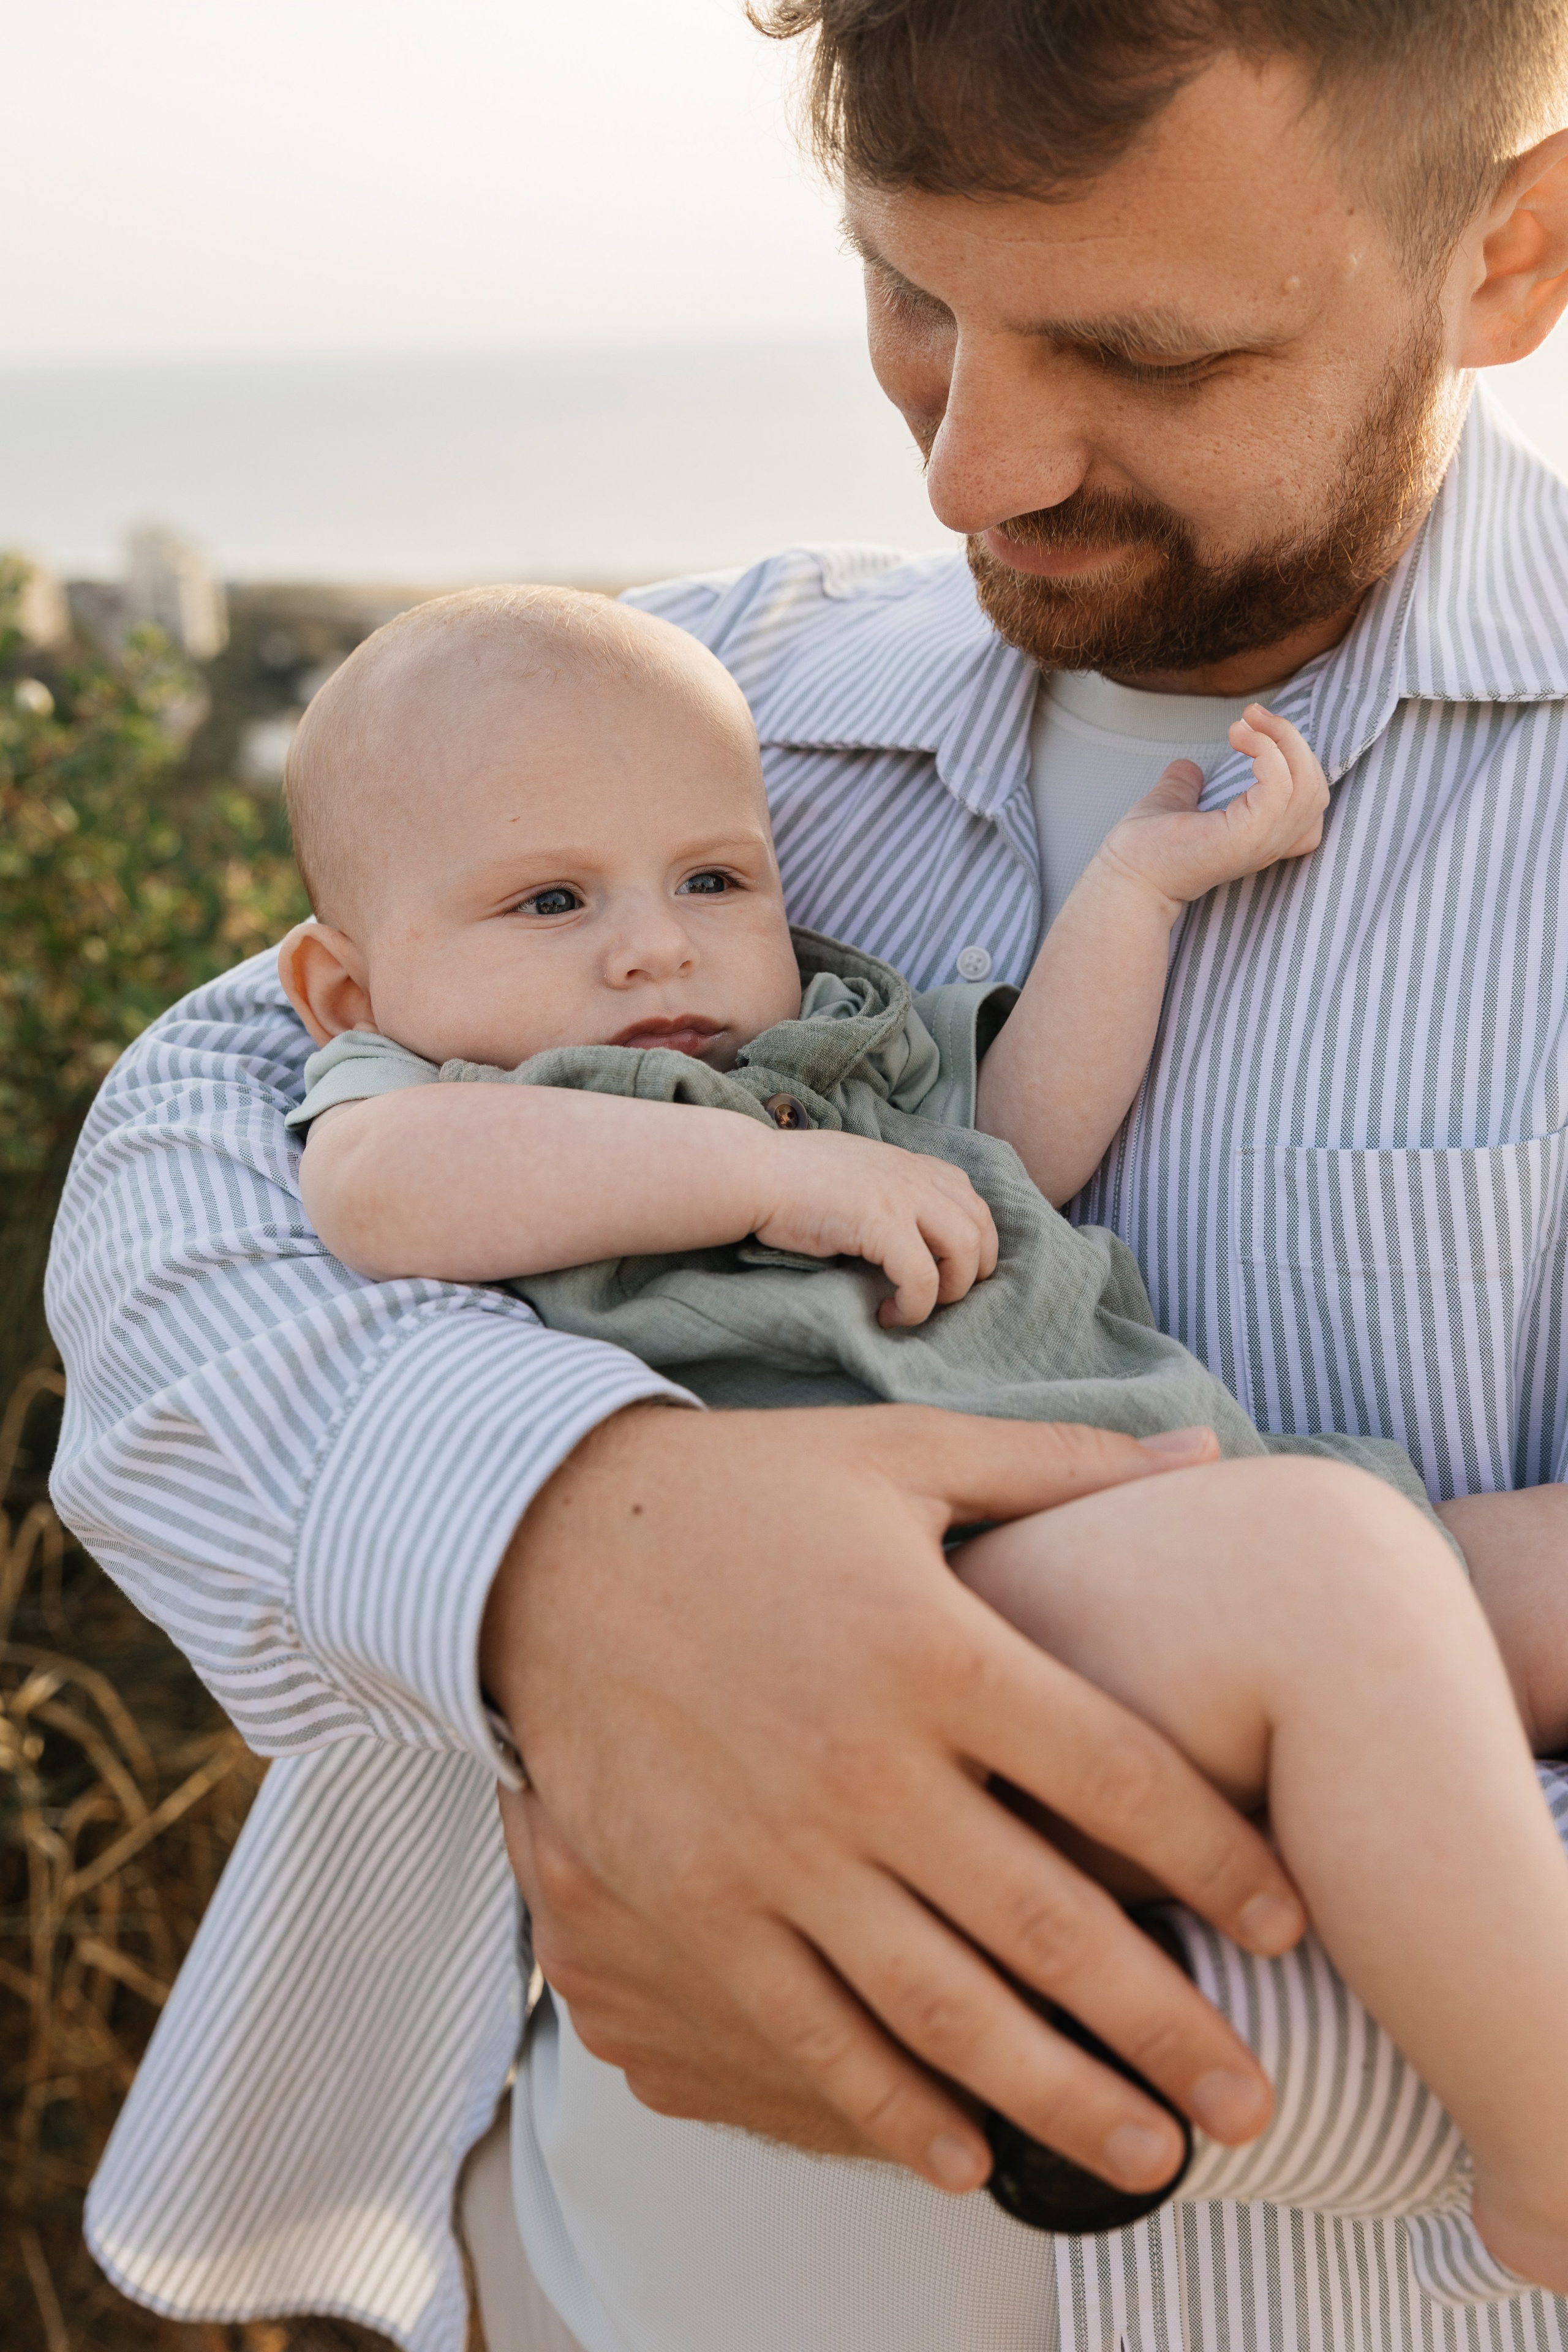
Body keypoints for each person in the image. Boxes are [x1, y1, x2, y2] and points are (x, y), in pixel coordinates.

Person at [45, 3, 1568, 2350]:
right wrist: (564, 1557)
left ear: (1513, 254)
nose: (971, 472)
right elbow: (188, 1175)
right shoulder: (674, 702)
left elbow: (988, 1158)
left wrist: (900, 1949)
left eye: (1139, 351)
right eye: (913, 301)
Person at [279, 577, 1568, 2292]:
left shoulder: (830, 1050)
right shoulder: (448, 1100)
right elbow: (376, 1198)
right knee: (1341, 1570)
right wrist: (768, 1172)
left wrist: (1138, 886)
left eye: (713, 880)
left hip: (1183, 1530)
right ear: (341, 986)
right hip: (937, 1612)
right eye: (549, 899)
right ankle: (1550, 2157)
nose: (653, 943)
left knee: (1505, 1563)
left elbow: (1031, 1130)